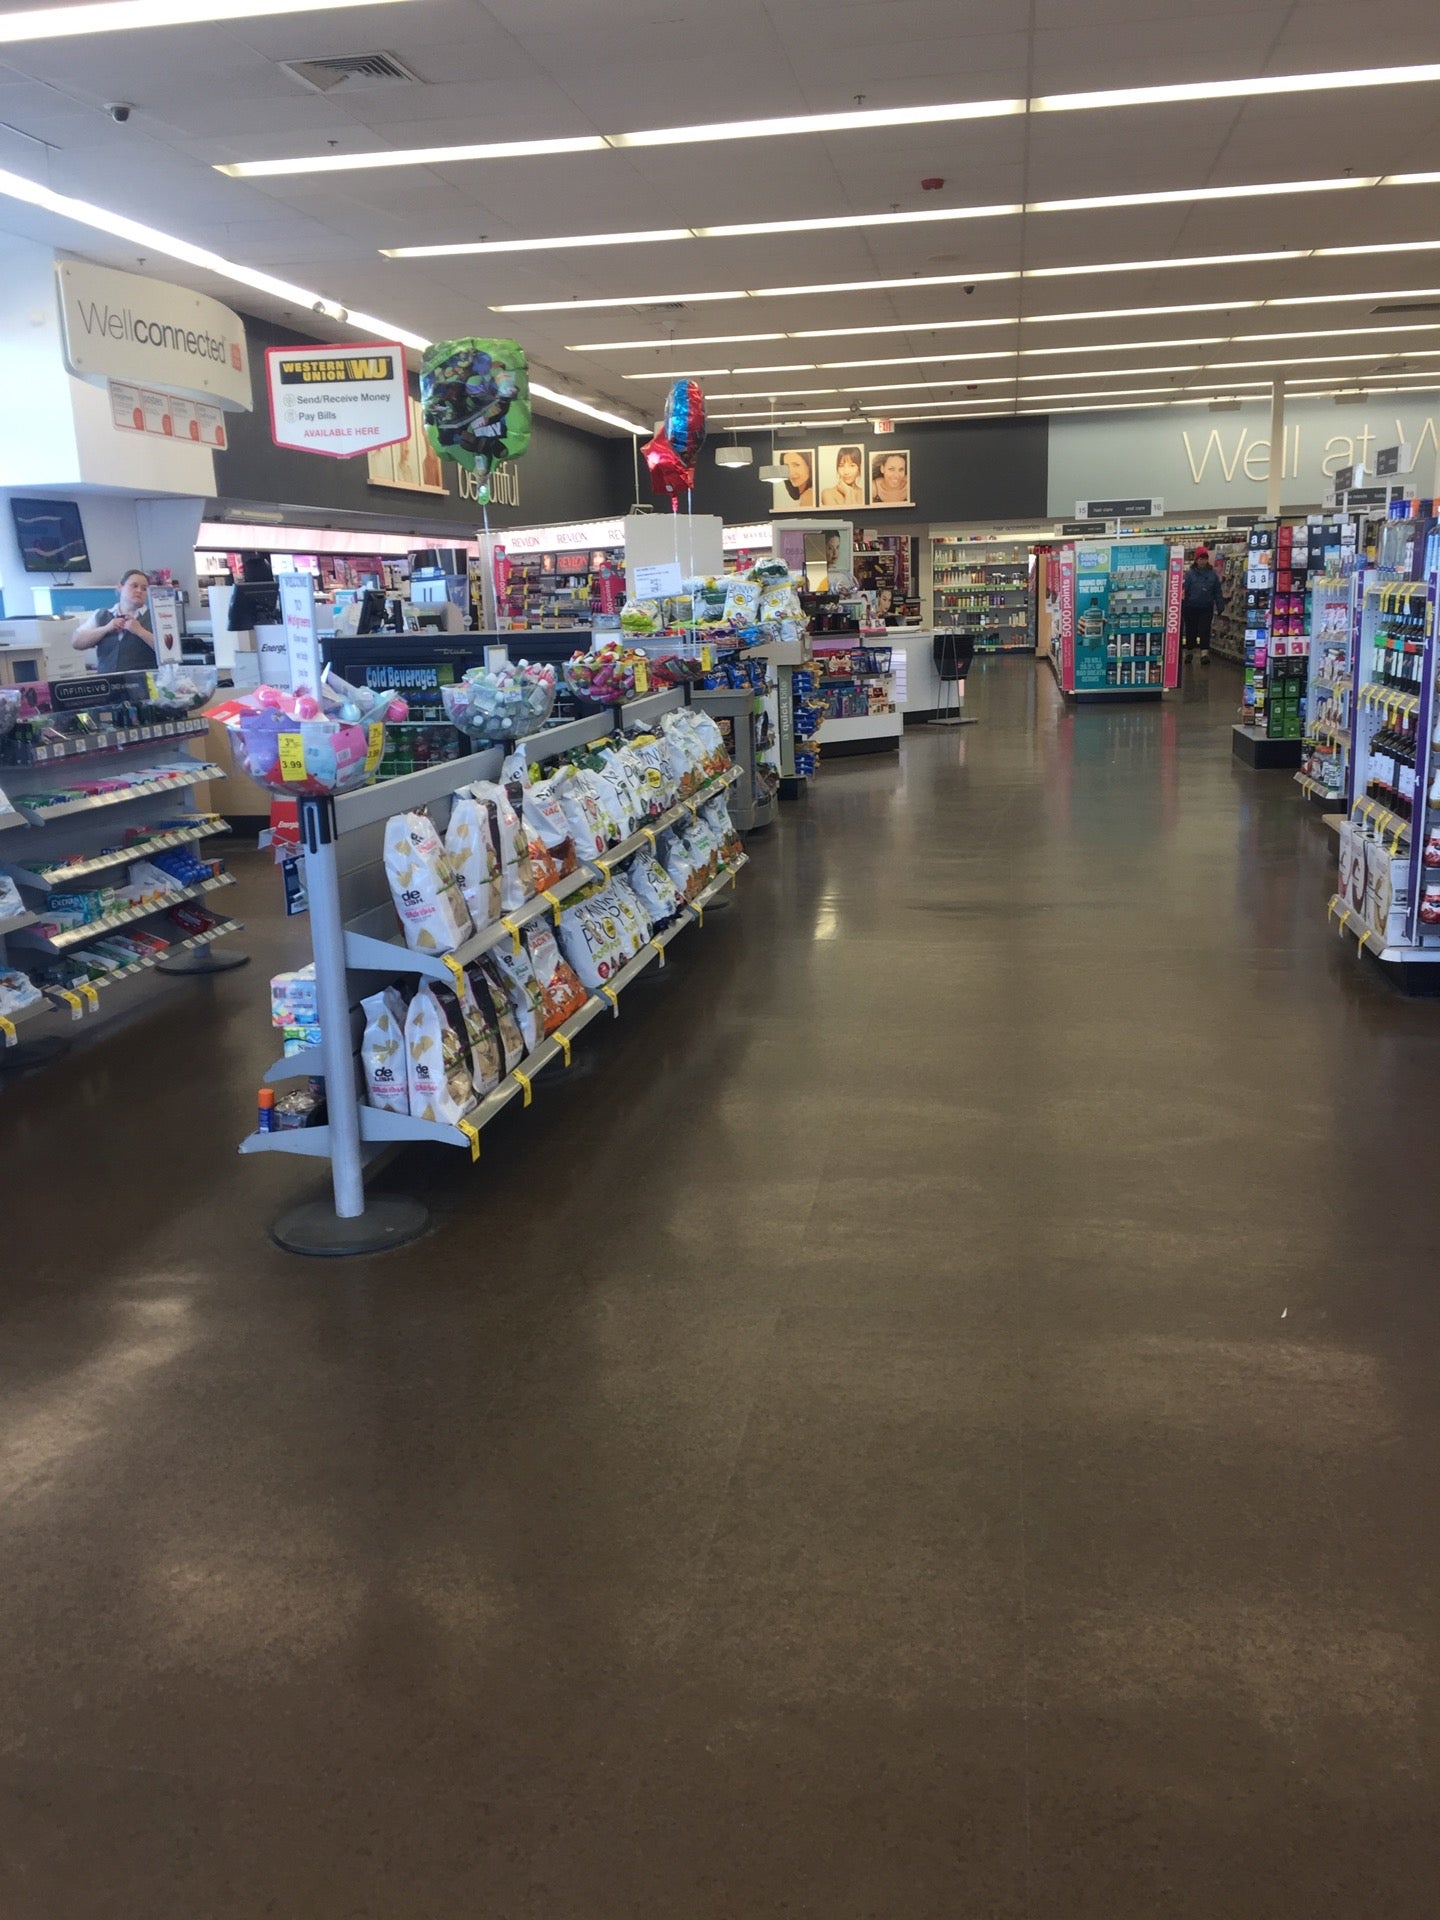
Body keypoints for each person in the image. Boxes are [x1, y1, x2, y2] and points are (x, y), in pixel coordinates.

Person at [72, 568, 156, 671]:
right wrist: (106, 628)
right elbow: (76, 642)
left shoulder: (155, 617)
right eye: (134, 586)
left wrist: (140, 631)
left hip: (143, 679)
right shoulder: (101, 615)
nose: (139, 591)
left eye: (144, 589)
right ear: (120, 587)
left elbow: (168, 651)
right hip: (107, 679)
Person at [1181, 545, 1225, 662]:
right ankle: (1189, 651)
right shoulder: (1189, 575)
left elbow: (1217, 591)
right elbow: (1184, 590)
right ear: (1196, 560)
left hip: (1206, 607)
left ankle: (1204, 653)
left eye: (1204, 559)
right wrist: (1182, 605)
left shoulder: (1212, 575)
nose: (1202, 561)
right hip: (1191, 607)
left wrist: (1220, 605)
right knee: (1191, 630)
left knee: (1205, 630)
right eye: (1200, 559)